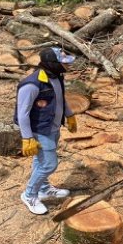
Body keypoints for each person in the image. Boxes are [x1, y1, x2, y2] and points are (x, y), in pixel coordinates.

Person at [16, 47, 79, 215]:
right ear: (52, 64)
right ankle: (29, 195)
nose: (68, 66)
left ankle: (43, 188)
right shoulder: (32, 84)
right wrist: (27, 138)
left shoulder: (56, 77)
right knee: (49, 164)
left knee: (41, 161)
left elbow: (60, 99)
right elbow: (22, 114)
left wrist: (69, 115)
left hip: (53, 126)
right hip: (39, 130)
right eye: (64, 63)